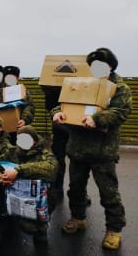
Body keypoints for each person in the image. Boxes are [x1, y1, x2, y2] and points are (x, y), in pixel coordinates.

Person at [52, 47, 132, 250]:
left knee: (109, 193)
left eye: (100, 65)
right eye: (92, 66)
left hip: (102, 151)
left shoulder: (119, 88)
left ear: (111, 65)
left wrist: (96, 119)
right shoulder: (83, 85)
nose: (95, 69)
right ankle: (78, 218)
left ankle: (114, 230)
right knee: (75, 189)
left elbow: (120, 112)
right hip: (78, 148)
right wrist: (57, 113)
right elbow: (65, 104)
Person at [0, 125, 58, 245]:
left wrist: (18, 171)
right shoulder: (12, 152)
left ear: (34, 140)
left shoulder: (45, 154)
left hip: (34, 200)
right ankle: (4, 219)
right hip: (14, 195)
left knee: (49, 194)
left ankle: (40, 227)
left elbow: (52, 169)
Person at [0, 65, 35, 144]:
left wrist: (24, 120)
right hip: (0, 133)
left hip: (19, 130)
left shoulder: (23, 92)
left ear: (17, 78)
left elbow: (29, 107)